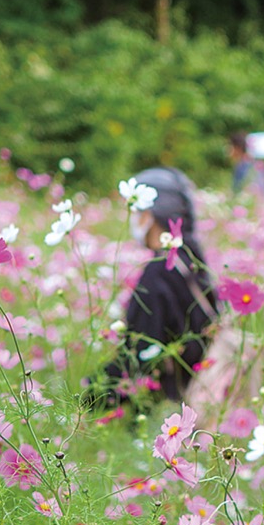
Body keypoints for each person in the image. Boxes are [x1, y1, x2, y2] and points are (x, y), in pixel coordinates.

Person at [101, 167, 219, 403]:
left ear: (150, 215)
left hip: (169, 404)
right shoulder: (188, 258)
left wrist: (88, 400)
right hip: (195, 390)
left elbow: (138, 357)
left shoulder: (159, 272)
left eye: (136, 210)